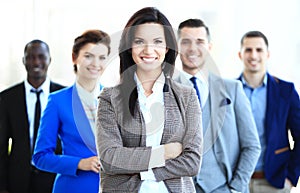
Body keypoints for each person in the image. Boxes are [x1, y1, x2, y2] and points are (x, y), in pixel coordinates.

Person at [96, 7, 203, 193]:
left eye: (157, 42)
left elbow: (192, 162)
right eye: (139, 41)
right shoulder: (109, 98)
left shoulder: (187, 96)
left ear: (168, 47)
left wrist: (140, 170)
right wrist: (164, 153)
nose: (148, 50)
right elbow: (109, 159)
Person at [175, 19, 261, 193]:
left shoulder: (232, 90)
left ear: (209, 47)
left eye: (200, 42)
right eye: (186, 42)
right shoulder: (164, 90)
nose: (193, 48)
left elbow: (252, 145)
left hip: (223, 188)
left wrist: (236, 187)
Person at [32, 29, 111, 193]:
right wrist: (80, 163)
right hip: (73, 187)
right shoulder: (57, 101)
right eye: (88, 56)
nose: (96, 63)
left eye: (102, 57)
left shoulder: (115, 100)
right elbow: (40, 157)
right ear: (75, 58)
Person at [237, 30, 300, 193]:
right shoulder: (228, 91)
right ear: (240, 54)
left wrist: (291, 178)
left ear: (268, 54)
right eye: (248, 50)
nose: (253, 55)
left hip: (273, 183)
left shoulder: (285, 91)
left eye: (259, 50)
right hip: (237, 182)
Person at [0, 40, 64, 193]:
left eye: (41, 56)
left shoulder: (64, 96)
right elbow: (1, 147)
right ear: (24, 60)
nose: (36, 62)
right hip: (17, 180)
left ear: (49, 59)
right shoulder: (7, 98)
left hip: (55, 178)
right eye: (30, 57)